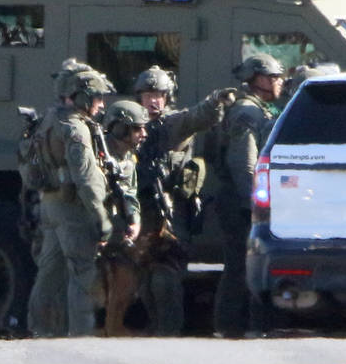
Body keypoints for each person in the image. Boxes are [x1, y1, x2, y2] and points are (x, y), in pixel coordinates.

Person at [133, 65, 237, 335]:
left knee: (165, 279)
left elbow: (198, 117)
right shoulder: (131, 125)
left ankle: (168, 335)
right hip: (140, 212)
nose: (153, 100)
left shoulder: (174, 124)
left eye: (159, 94)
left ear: (167, 97)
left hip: (171, 213)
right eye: (147, 94)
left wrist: (215, 102)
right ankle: (154, 329)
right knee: (143, 279)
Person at [26, 59, 116, 337]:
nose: (101, 104)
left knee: (49, 273)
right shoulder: (77, 130)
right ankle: (81, 336)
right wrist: (102, 220)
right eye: (97, 97)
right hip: (72, 210)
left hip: (50, 205)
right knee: (82, 274)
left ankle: (39, 329)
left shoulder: (50, 119)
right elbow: (87, 179)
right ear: (83, 97)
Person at [212, 52, 285, 338]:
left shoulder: (257, 109)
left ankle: (235, 325)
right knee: (239, 267)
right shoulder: (247, 112)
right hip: (239, 200)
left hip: (240, 199)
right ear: (259, 79)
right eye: (275, 77)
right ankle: (230, 326)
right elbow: (244, 164)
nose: (280, 82)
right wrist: (253, 205)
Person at [98, 99, 148, 335]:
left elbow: (130, 192)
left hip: (111, 227)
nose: (143, 134)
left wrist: (134, 221)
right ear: (120, 129)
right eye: (137, 128)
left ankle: (112, 327)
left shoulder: (127, 158)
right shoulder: (98, 155)